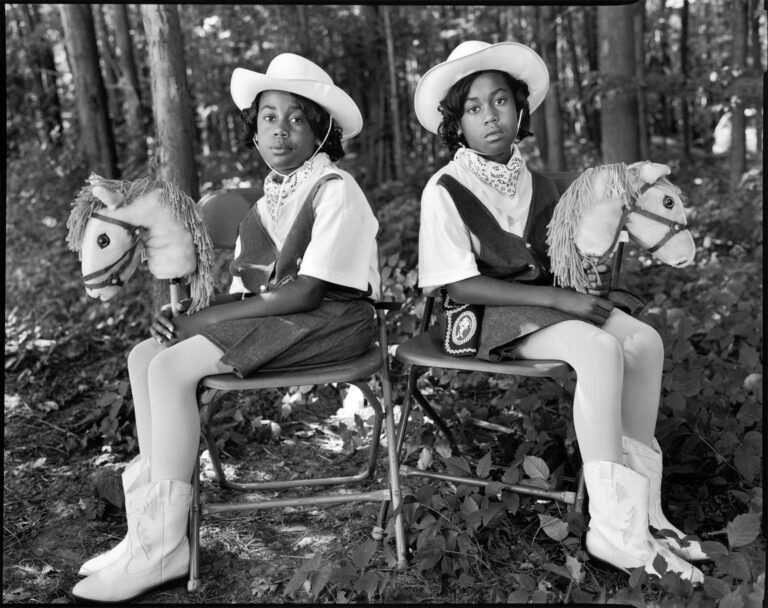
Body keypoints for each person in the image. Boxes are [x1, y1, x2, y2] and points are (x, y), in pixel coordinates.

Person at [72, 53, 380, 602]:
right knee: (145, 357)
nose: (279, 130)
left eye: (296, 117)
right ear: (254, 130)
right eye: (267, 117)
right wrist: (189, 322)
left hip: (333, 320)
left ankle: (165, 550)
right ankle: (145, 532)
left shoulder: (336, 189)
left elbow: (308, 291)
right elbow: (250, 294)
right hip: (285, 319)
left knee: (169, 369)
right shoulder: (264, 204)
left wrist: (202, 321)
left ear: (321, 129)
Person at [413, 40, 707, 583]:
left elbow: (572, 240)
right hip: (480, 315)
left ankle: (646, 514)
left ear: (520, 108)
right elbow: (458, 281)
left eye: (499, 101)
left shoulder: (536, 182)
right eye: (473, 108)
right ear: (456, 124)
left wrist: (573, 278)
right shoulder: (445, 189)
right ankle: (613, 532)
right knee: (596, 346)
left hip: (549, 309)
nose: (489, 116)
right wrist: (556, 298)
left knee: (644, 341)